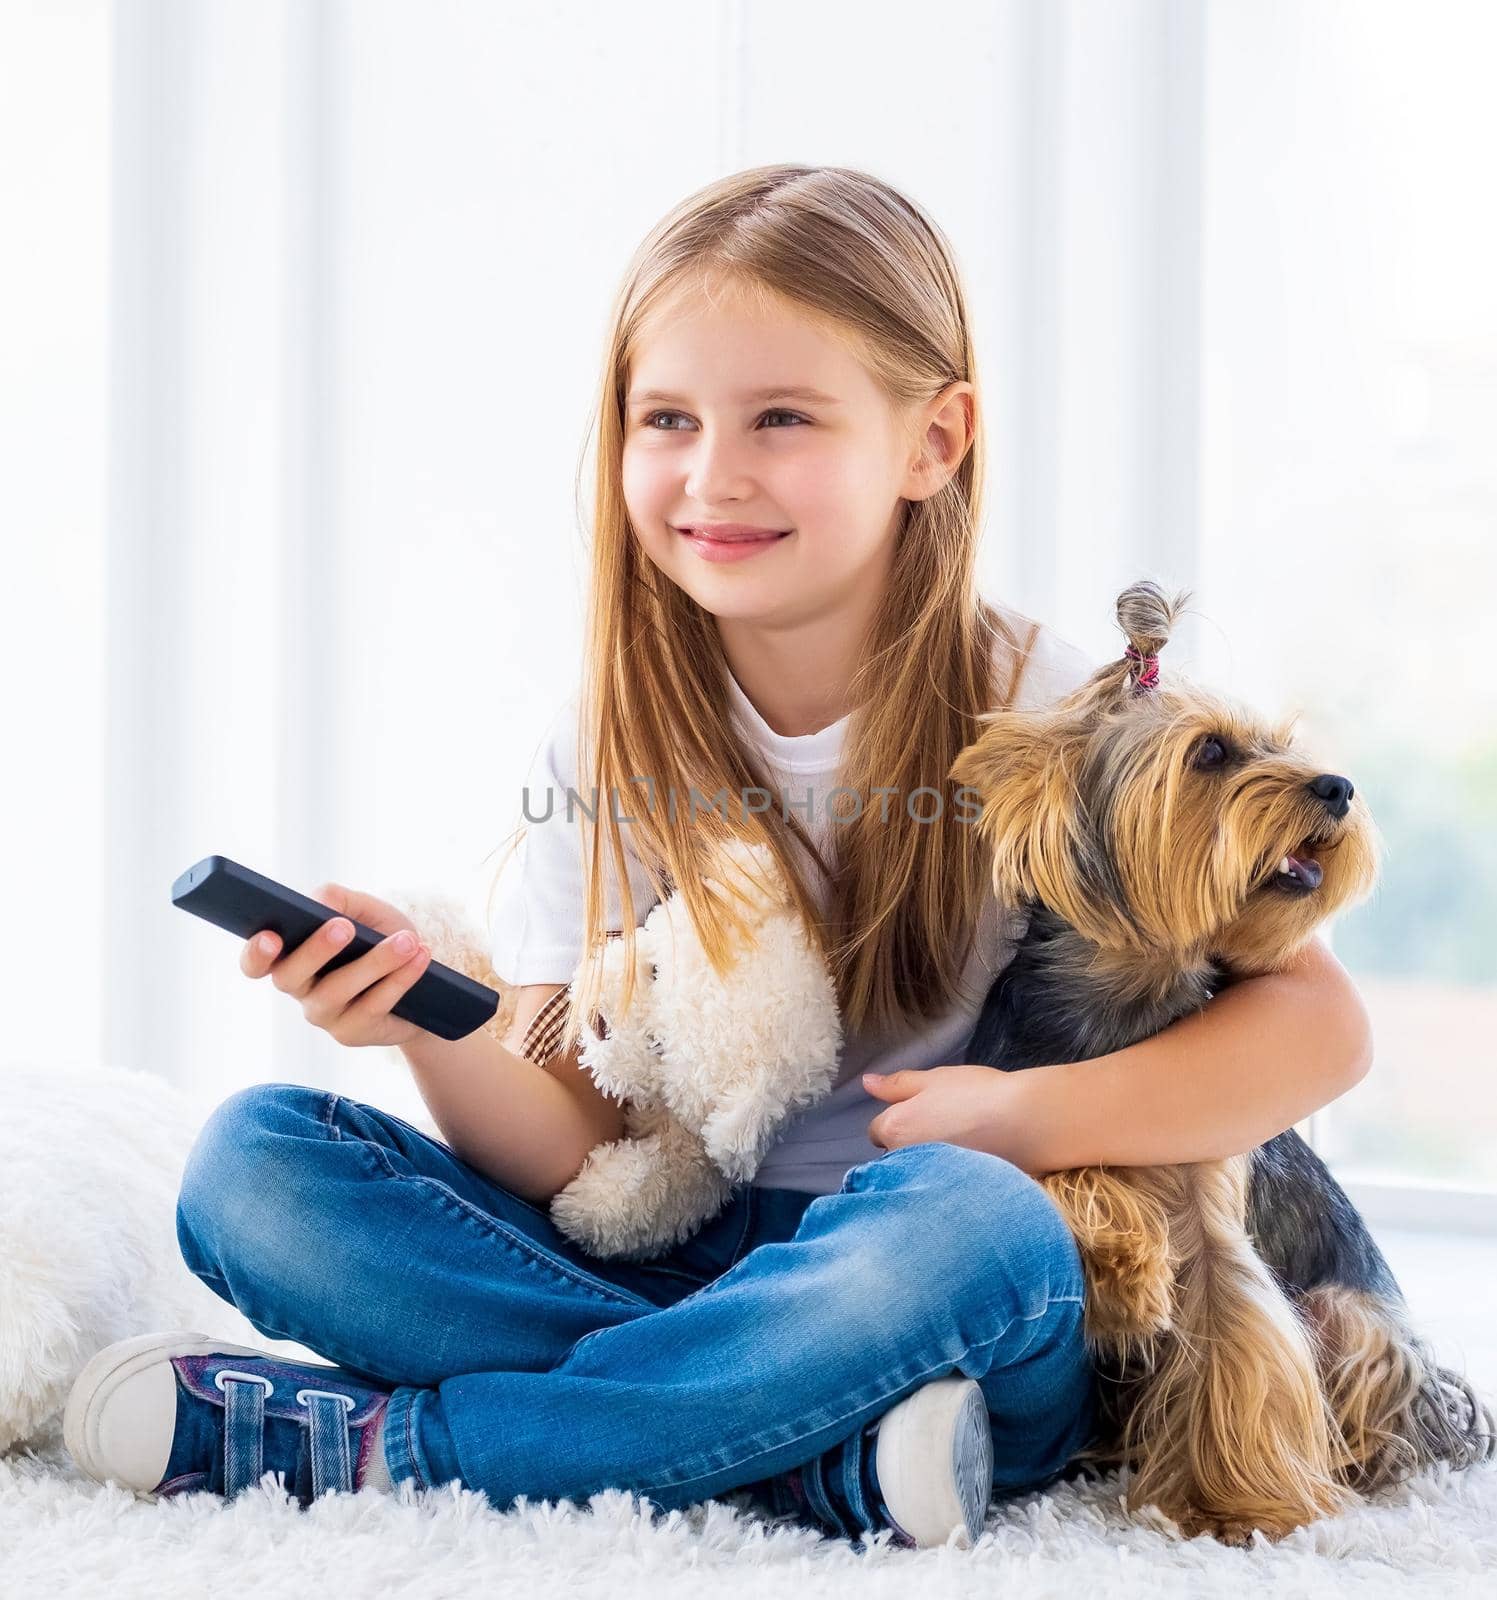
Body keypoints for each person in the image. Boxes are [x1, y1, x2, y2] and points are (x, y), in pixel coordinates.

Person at [64, 164, 1375, 1552]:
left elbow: (1319, 1030)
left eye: (782, 420)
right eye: (667, 420)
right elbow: (577, 1143)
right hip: (673, 1260)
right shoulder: (610, 731)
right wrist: (419, 1027)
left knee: (975, 1224)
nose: (711, 474)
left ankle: (413, 1447)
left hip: (925, 1262)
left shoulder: (1059, 710)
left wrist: (1016, 1124)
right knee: (255, 1164)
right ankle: (808, 1450)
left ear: (934, 441)